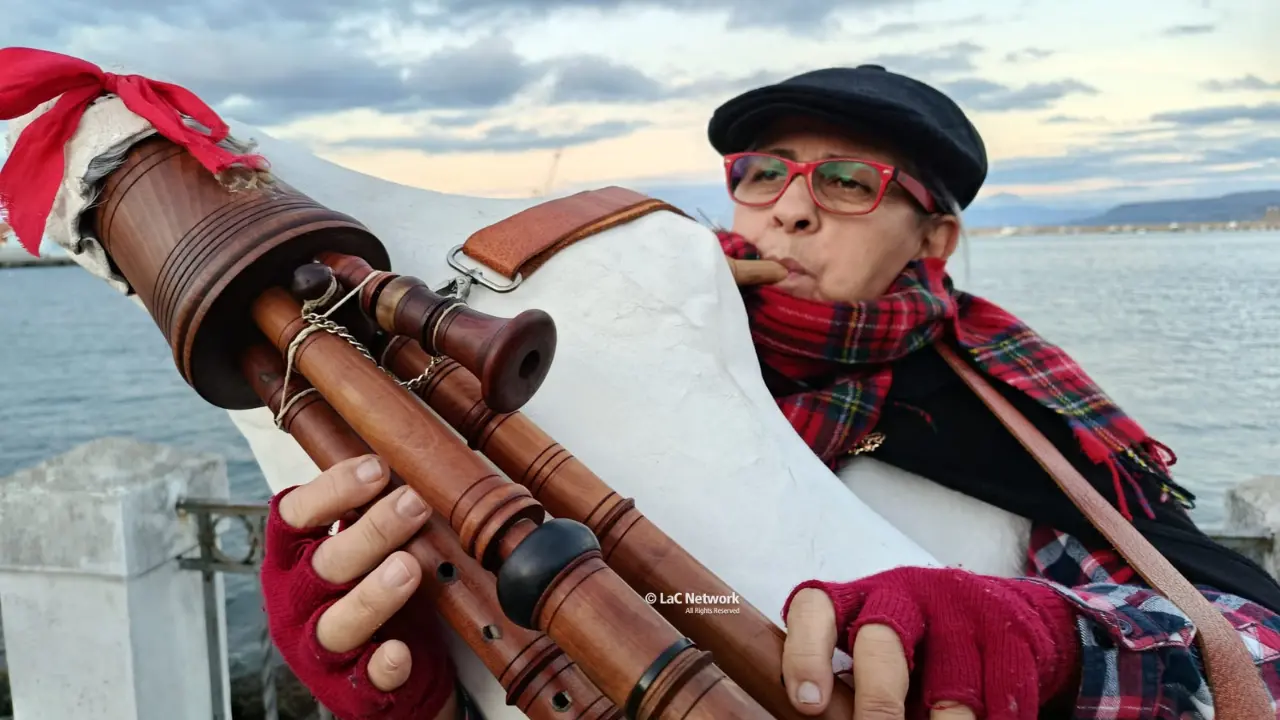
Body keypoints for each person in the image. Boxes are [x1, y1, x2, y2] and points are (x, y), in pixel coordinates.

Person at [260, 66, 1280, 720]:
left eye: (845, 182)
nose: (789, 209)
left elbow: (1248, 649)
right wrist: (409, 661)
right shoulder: (587, 356)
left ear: (934, 239)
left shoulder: (1006, 412)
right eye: (762, 172)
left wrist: (1046, 641)